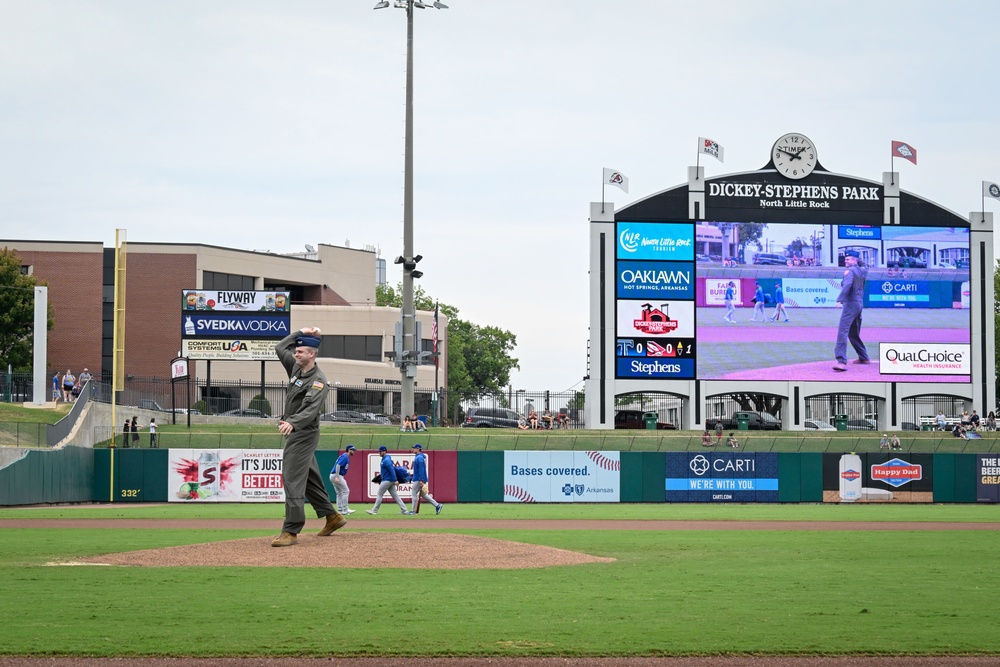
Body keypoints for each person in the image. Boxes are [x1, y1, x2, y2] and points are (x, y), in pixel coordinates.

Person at [271, 328, 345, 547]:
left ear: (312, 354)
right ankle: (332, 517)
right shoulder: (295, 368)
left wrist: (293, 422)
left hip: (303, 433)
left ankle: (291, 530)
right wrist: (300, 332)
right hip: (294, 431)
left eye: (301, 351)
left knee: (292, 478)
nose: (296, 353)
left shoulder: (319, 380)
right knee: (309, 478)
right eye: (296, 350)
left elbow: (310, 408)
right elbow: (279, 347)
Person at [833, 250, 869, 371]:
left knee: (842, 331)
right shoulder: (862, 270)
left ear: (854, 261)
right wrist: (858, 258)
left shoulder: (849, 272)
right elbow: (865, 265)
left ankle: (841, 360)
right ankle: (863, 357)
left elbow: (847, 285)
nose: (845, 261)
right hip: (859, 304)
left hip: (850, 304)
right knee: (853, 332)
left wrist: (840, 299)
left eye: (848, 259)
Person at [366, 446, 409, 515]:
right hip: (388, 479)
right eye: (379, 451)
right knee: (395, 495)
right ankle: (404, 510)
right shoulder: (385, 459)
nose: (379, 453)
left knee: (379, 494)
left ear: (384, 451)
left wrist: (395, 480)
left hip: (388, 480)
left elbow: (392, 470)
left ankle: (374, 510)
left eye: (380, 451)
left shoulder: (386, 460)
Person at [407, 444, 443, 515]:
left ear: (418, 449)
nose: (413, 449)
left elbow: (421, 469)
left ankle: (413, 511)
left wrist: (421, 480)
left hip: (419, 479)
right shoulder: (419, 457)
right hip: (419, 478)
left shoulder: (419, 457)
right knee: (424, 495)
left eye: (414, 448)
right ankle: (437, 505)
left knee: (414, 493)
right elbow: (419, 470)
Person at [329, 444, 357, 515]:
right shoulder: (345, 456)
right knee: (346, 491)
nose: (354, 451)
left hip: (333, 475)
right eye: (352, 450)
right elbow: (338, 465)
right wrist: (338, 477)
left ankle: (340, 510)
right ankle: (345, 509)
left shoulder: (345, 456)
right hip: (336, 475)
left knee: (339, 493)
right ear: (349, 450)